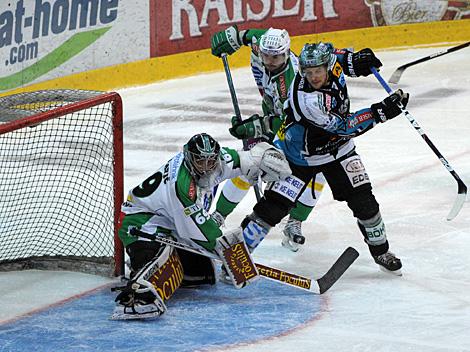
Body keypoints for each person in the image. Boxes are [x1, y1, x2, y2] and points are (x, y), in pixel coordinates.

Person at [230, 42, 407, 275]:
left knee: (366, 203)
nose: (313, 77)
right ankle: (235, 256)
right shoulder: (307, 101)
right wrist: (380, 112)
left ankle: (381, 252)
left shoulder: (329, 62)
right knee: (273, 207)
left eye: (318, 71)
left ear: (326, 66)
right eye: (308, 72)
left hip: (339, 151)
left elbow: (340, 58)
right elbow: (343, 127)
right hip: (300, 156)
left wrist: (357, 62)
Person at [112, 133, 291, 320]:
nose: (207, 168)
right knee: (165, 266)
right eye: (200, 161)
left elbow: (244, 159)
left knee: (204, 274)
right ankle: (137, 295)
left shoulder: (218, 162)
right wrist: (228, 252)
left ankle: (149, 260)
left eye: (210, 161)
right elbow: (199, 232)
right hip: (141, 223)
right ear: (190, 158)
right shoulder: (181, 185)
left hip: (169, 222)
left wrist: (261, 156)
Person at [211, 25, 326, 252]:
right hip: (273, 115)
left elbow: (288, 121)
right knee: (250, 165)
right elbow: (254, 35)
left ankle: (294, 221)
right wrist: (237, 36)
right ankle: (217, 216)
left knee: (316, 174)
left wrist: (254, 127)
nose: (270, 61)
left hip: (303, 129)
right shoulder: (262, 45)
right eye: (266, 55)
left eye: (276, 57)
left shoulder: (293, 83)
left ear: (286, 53)